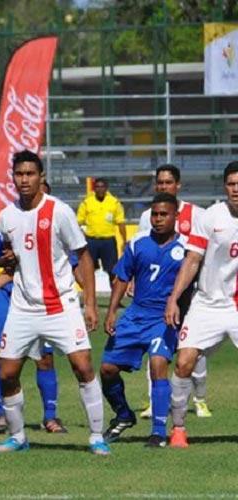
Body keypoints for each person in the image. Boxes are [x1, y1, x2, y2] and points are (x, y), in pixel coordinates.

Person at [0, 150, 109, 456]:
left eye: (30, 174)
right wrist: (1, 261)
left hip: (61, 305)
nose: (24, 179)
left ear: (41, 177)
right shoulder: (8, 215)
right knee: (6, 373)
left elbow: (83, 256)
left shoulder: (60, 211)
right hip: (23, 307)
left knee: (82, 366)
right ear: (13, 178)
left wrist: (90, 304)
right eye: (19, 174)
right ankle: (17, 437)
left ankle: (96, 436)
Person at [0, 180, 70, 435]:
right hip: (11, 298)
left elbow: (72, 260)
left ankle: (50, 416)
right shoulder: (11, 220)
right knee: (2, 356)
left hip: (46, 301)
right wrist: (0, 262)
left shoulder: (57, 222)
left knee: (45, 358)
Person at [99, 193, 188, 448]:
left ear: (175, 216)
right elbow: (122, 277)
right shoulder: (138, 243)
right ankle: (124, 414)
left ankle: (158, 432)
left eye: (164, 214)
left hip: (164, 318)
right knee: (107, 370)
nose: (158, 219)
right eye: (155, 214)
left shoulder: (186, 248)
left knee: (158, 364)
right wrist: (113, 310)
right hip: (135, 314)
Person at [164, 161, 238, 448]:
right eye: (231, 184)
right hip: (206, 304)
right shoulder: (210, 217)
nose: (236, 189)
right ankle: (179, 429)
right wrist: (174, 298)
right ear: (224, 187)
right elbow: (192, 260)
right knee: (183, 363)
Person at [137, 165, 210, 420]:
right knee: (155, 344)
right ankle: (153, 401)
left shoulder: (197, 214)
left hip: (192, 292)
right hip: (159, 292)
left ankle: (199, 399)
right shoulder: (148, 216)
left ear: (178, 185)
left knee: (192, 347)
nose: (164, 187)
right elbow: (141, 250)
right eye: (160, 183)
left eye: (168, 183)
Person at [76, 178, 126, 284]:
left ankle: (115, 299)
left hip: (108, 241)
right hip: (91, 241)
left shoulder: (114, 202)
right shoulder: (87, 202)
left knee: (112, 271)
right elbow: (78, 222)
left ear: (106, 188)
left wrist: (124, 240)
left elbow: (121, 222)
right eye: (97, 187)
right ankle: (89, 298)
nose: (99, 189)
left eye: (102, 187)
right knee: (88, 270)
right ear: (94, 189)